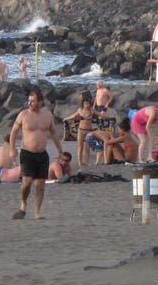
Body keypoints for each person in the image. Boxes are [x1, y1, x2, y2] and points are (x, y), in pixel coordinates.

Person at [9, 88, 63, 220]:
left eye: (32, 101)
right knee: (26, 183)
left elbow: (54, 134)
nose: (30, 103)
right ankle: (23, 205)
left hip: (42, 155)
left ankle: (37, 212)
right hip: (27, 154)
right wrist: (12, 149)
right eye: (29, 101)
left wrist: (60, 151)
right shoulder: (23, 115)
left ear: (40, 102)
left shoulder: (48, 115)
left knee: (40, 186)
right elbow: (14, 132)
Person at [63, 97, 97, 166]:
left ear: (90, 104)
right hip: (81, 130)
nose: (86, 105)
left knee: (87, 147)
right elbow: (74, 116)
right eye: (85, 104)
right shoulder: (80, 110)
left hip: (89, 131)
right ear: (83, 104)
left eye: (88, 103)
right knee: (80, 147)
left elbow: (100, 114)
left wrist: (107, 117)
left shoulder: (92, 110)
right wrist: (66, 118)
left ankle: (87, 162)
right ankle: (80, 162)